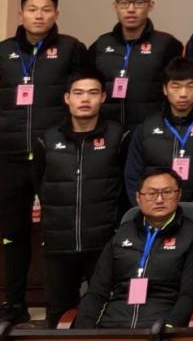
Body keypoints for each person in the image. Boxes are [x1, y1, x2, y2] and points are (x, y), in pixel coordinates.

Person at [0, 0, 88, 324]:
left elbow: (83, 96)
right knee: (12, 234)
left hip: (55, 155)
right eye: (32, 9)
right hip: (9, 158)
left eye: (46, 9)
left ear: (56, 14)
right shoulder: (4, 52)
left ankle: (60, 305)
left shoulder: (71, 49)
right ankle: (13, 304)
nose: (39, 15)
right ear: (20, 13)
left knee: (59, 232)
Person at [33, 68, 127, 326]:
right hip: (58, 241)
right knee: (57, 315)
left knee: (104, 314)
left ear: (103, 97)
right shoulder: (46, 139)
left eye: (93, 93)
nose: (85, 99)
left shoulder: (119, 137)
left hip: (104, 242)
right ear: (67, 98)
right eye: (78, 93)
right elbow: (39, 182)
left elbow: (125, 189)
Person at [75, 167, 193, 329]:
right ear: (138, 197)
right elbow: (97, 291)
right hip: (113, 325)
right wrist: (83, 332)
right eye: (151, 194)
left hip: (158, 328)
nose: (159, 200)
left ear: (179, 194)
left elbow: (190, 295)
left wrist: (169, 326)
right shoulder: (122, 234)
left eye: (167, 192)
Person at [124, 58, 193, 205]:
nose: (183, 93)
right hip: (153, 211)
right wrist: (147, 208)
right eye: (175, 87)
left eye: (191, 86)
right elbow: (132, 176)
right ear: (165, 89)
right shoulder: (146, 128)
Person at [90, 0, 183, 130]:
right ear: (115, 6)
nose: (131, 9)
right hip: (107, 131)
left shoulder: (168, 45)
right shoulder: (101, 44)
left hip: (151, 131)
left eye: (139, 2)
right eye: (124, 3)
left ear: (150, 5)